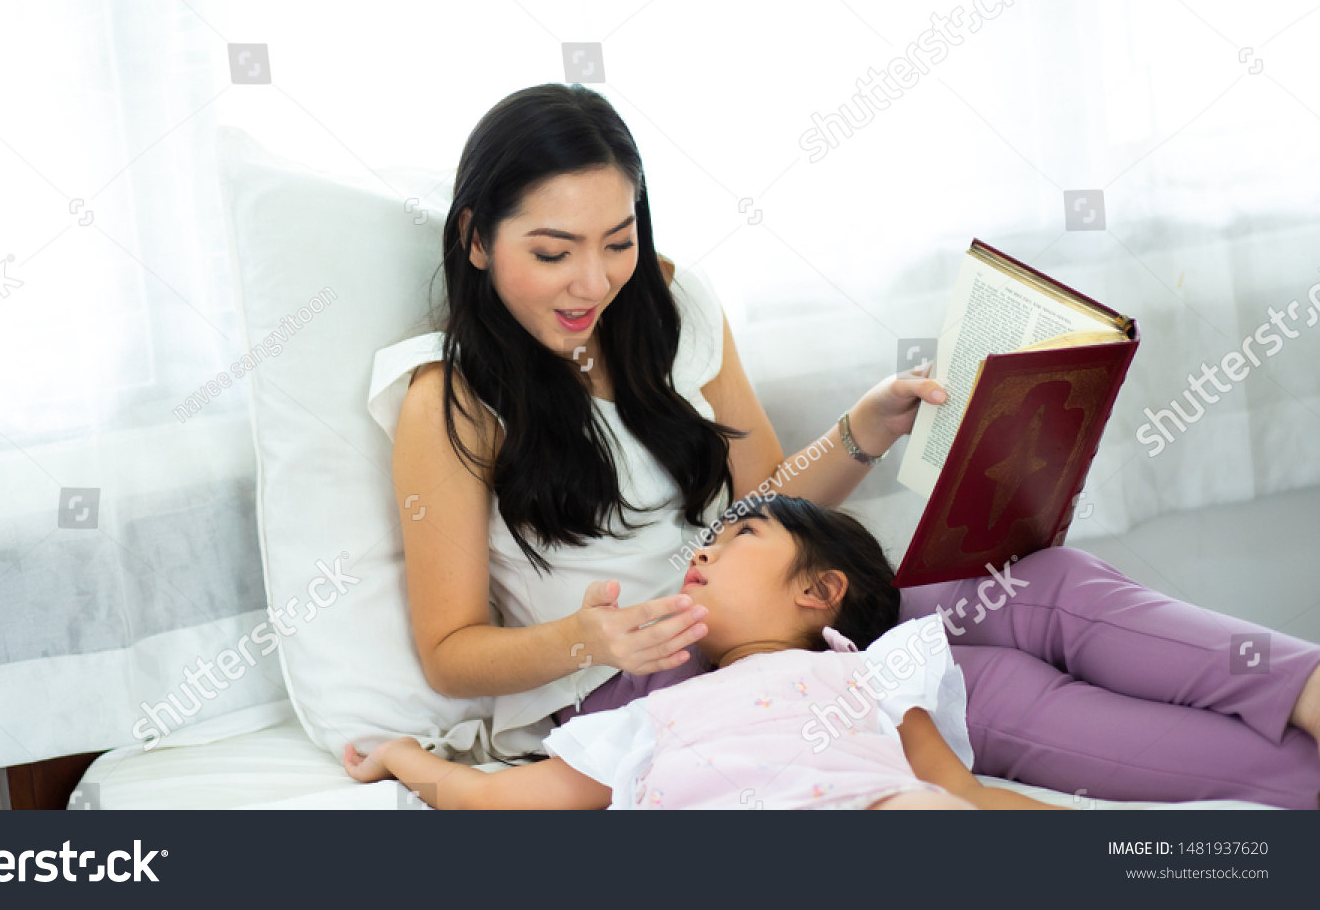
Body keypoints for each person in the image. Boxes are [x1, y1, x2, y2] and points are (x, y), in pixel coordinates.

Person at [369, 82, 1320, 808]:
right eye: (552, 252)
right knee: (993, 694)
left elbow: (760, 506)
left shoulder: (669, 306)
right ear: (478, 240)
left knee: (1049, 580)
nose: (593, 281)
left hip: (776, 613)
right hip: (646, 679)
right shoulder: (445, 401)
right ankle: (1292, 783)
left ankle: (1309, 690)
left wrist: (862, 432)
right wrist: (588, 635)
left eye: (617, 240)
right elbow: (451, 651)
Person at [343, 497, 1060, 810]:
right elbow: (486, 798)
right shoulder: (648, 717)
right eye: (710, 539)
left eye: (741, 536)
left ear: (820, 589)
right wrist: (400, 754)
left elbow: (960, 792)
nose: (706, 548)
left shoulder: (869, 671)